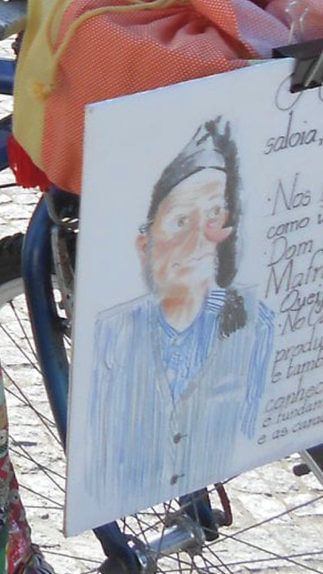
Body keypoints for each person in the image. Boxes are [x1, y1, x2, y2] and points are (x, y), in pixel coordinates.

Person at [87, 118, 276, 513]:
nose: (197, 241)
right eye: (179, 221)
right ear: (144, 244)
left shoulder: (255, 325)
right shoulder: (109, 331)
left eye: (214, 217)